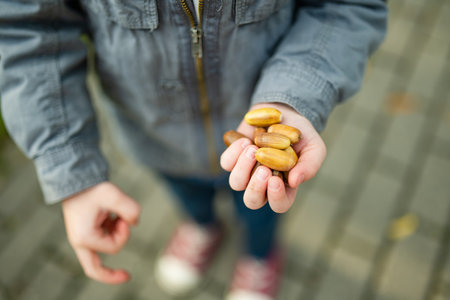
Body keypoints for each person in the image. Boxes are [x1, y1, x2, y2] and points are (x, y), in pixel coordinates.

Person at [0, 0, 387, 299]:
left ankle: (259, 256)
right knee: (188, 198)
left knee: (261, 212)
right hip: (159, 142)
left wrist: (296, 94)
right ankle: (202, 227)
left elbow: (344, 6)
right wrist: (72, 174)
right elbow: (30, 29)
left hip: (255, 154)